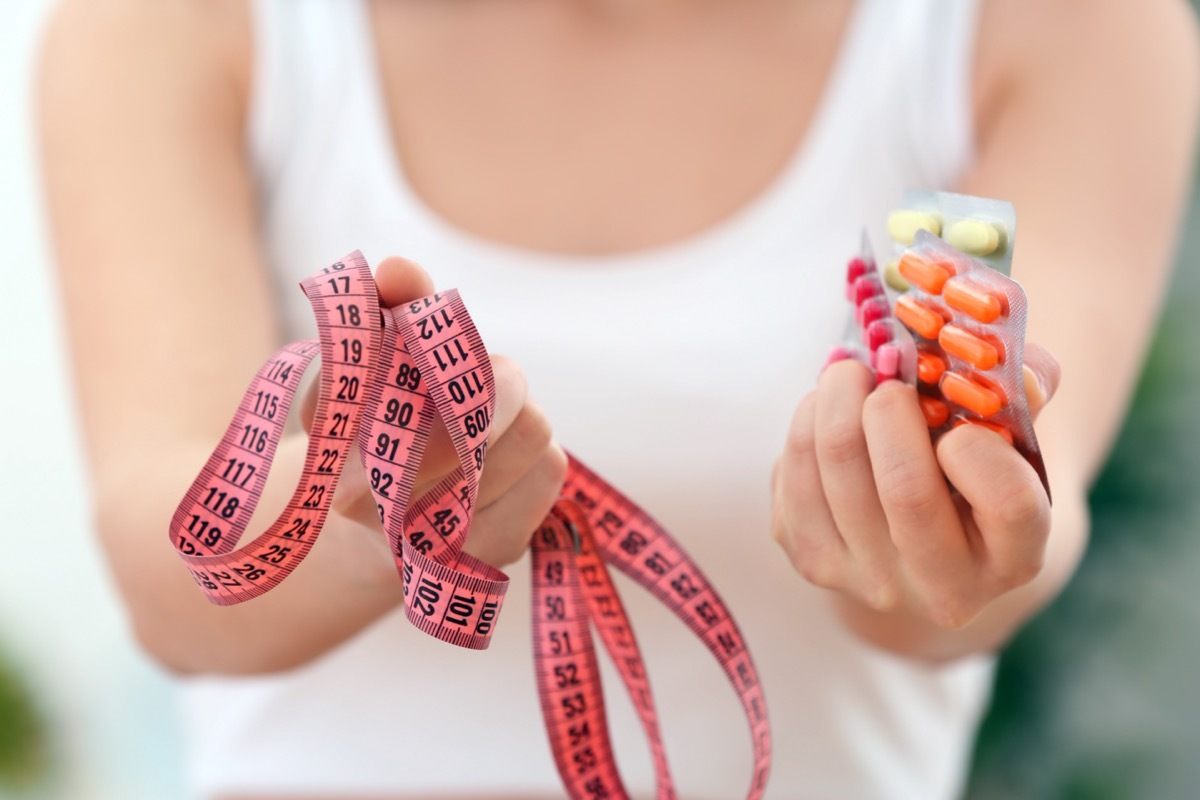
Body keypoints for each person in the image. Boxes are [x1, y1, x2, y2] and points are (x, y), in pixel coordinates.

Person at [37, 0, 1199, 797]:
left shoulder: (1068, 24)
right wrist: (374, 516)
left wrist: (942, 540)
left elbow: (1014, 539)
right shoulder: (173, 20)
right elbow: (169, 569)